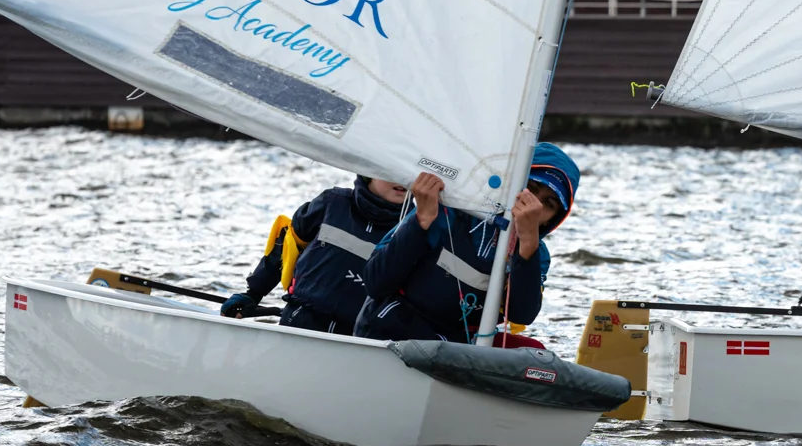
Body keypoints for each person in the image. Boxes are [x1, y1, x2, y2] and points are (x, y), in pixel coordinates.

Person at [352, 142, 579, 343]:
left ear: (554, 218)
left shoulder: (536, 252)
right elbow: (375, 282)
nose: (533, 205)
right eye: (531, 188)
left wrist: (528, 246)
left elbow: (522, 315)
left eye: (548, 203)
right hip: (390, 334)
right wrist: (421, 221)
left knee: (534, 350)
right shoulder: (447, 212)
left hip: (453, 350)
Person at [220, 175, 407, 333]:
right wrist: (253, 294)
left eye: (408, 172)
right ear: (369, 172)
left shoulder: (415, 229)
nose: (402, 178)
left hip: (358, 341)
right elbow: (286, 247)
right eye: (392, 171)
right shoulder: (332, 202)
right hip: (300, 324)